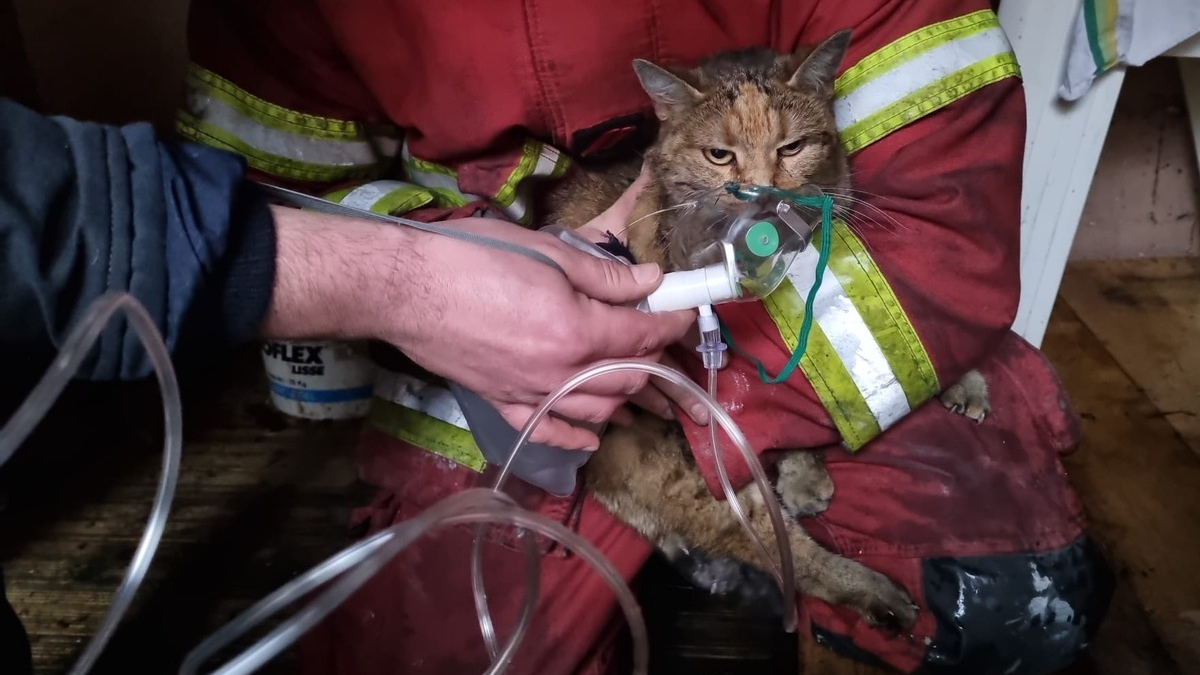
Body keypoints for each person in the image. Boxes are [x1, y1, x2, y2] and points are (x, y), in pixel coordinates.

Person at [174, 1, 1117, 674]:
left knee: (1001, 599)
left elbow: (947, 207)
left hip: (795, 337)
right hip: (471, 370)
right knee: (436, 649)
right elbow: (264, 193)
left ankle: (729, 527)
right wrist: (427, 291)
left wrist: (727, 403)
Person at [0, 77, 699, 675]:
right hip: (459, 372)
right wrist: (424, 271)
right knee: (438, 646)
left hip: (712, 357)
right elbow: (261, 174)